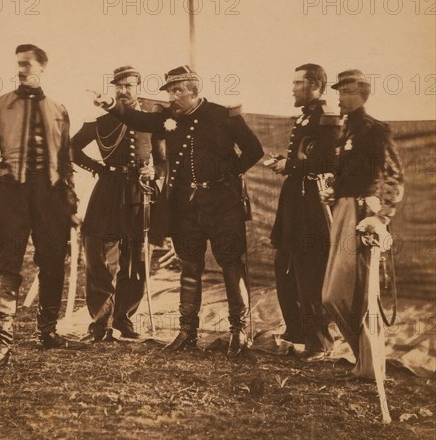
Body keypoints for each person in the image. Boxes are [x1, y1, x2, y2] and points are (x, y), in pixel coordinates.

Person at [93, 65, 264, 356]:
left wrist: (227, 175)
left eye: (176, 91)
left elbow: (254, 150)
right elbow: (138, 118)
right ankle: (187, 331)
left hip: (223, 205)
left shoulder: (224, 115)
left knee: (231, 265)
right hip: (185, 206)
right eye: (169, 91)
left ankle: (239, 332)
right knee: (190, 266)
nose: (171, 97)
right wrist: (111, 105)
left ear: (193, 90)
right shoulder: (166, 117)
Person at [0, 44, 79, 373]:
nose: (20, 70)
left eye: (26, 65)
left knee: (53, 264)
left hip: (51, 197)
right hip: (10, 195)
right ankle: (1, 343)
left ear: (42, 68)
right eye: (17, 64)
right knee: (6, 266)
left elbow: (66, 162)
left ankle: (46, 331)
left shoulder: (59, 109)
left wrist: (71, 205)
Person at [71, 65, 166, 341]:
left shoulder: (152, 119)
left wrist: (155, 174)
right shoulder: (100, 120)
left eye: (129, 86)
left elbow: (163, 159)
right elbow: (71, 148)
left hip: (140, 193)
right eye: (119, 86)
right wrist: (97, 169)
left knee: (136, 259)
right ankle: (101, 322)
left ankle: (124, 318)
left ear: (138, 87)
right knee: (99, 256)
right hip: (108, 192)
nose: (123, 91)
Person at [321, 69, 404, 376]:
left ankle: (371, 364)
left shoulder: (374, 129)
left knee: (360, 293)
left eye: (344, 92)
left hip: (362, 216)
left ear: (359, 94)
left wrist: (381, 216)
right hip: (343, 212)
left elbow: (395, 177)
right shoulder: (346, 131)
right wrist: (334, 192)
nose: (339, 97)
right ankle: (364, 359)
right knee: (333, 296)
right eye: (339, 91)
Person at [268, 64, 340, 361]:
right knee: (286, 269)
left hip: (311, 205)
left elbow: (329, 162)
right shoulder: (308, 116)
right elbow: (308, 154)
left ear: (316, 85)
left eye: (298, 83)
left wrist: (291, 166)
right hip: (295, 203)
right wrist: (286, 161)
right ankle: (296, 334)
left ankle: (319, 342)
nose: (293, 88)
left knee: (309, 274)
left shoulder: (327, 118)